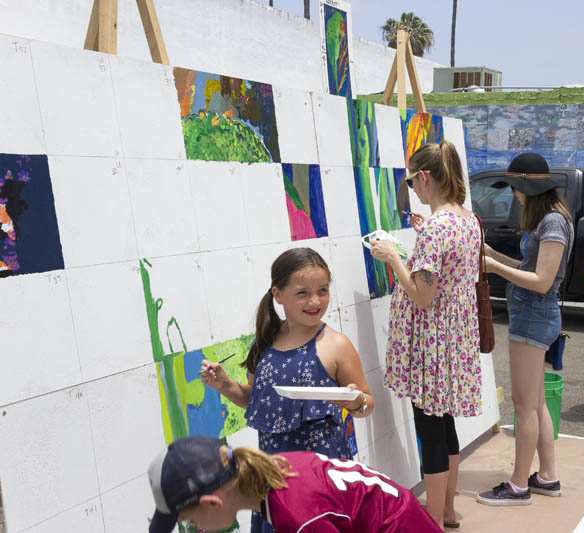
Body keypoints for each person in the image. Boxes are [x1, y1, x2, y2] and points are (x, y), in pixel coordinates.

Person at [200, 247, 374, 532]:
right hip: (274, 476)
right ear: (278, 295)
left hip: (323, 476)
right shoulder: (265, 343)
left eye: (323, 290)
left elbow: (368, 403)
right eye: (302, 293)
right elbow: (257, 401)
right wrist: (225, 385)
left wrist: (356, 402)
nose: (315, 301)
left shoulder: (336, 345)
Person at [369, 140, 481, 529]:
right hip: (454, 341)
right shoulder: (467, 219)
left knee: (430, 432)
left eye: (412, 181)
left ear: (426, 177)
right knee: (444, 424)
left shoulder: (437, 228)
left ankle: (431, 519)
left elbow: (421, 295)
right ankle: (447, 510)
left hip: (431, 344)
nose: (412, 190)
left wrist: (393, 257)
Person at [474, 153, 572, 506]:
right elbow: (529, 267)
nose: (514, 195)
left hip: (534, 316)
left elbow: (542, 281)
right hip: (534, 315)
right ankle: (547, 476)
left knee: (524, 406)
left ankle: (518, 485)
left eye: (516, 188)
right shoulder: (550, 220)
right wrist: (493, 255)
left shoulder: (552, 224)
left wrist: (494, 268)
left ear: (531, 188)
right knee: (536, 403)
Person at [147, 436, 440, 533]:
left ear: (212, 502)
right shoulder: (276, 468)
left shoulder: (298, 516)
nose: (196, 528)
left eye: (189, 520)